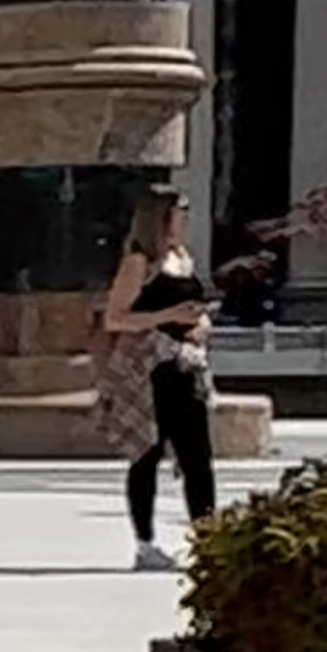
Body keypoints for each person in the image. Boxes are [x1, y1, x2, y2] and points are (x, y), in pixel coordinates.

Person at [96, 191, 218, 569]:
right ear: (161, 217)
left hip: (186, 363)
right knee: (146, 454)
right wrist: (167, 315)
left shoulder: (183, 259)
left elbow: (192, 311)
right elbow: (115, 318)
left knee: (197, 456)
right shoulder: (140, 262)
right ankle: (145, 542)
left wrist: (200, 323)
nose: (185, 219)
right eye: (180, 212)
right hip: (149, 368)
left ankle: (208, 537)